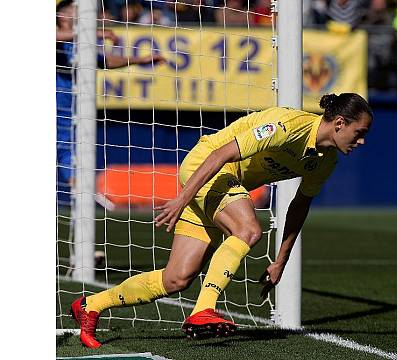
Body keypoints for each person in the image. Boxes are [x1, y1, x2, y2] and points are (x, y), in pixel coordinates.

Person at [70, 93, 374, 348]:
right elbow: (220, 154)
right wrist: (183, 198)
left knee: (176, 279)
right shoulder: (287, 125)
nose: (361, 142)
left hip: (223, 188)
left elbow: (299, 206)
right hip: (206, 169)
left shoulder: (325, 161)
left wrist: (280, 260)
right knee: (247, 228)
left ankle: (91, 305)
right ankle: (204, 309)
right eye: (359, 133)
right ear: (339, 123)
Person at [56, 0, 165, 189]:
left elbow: (104, 61)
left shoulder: (78, 43)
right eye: (76, 10)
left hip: (69, 105)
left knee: (68, 147)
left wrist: (140, 59)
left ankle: (79, 192)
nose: (82, 16)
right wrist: (94, 33)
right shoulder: (57, 35)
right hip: (56, 103)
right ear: (62, 16)